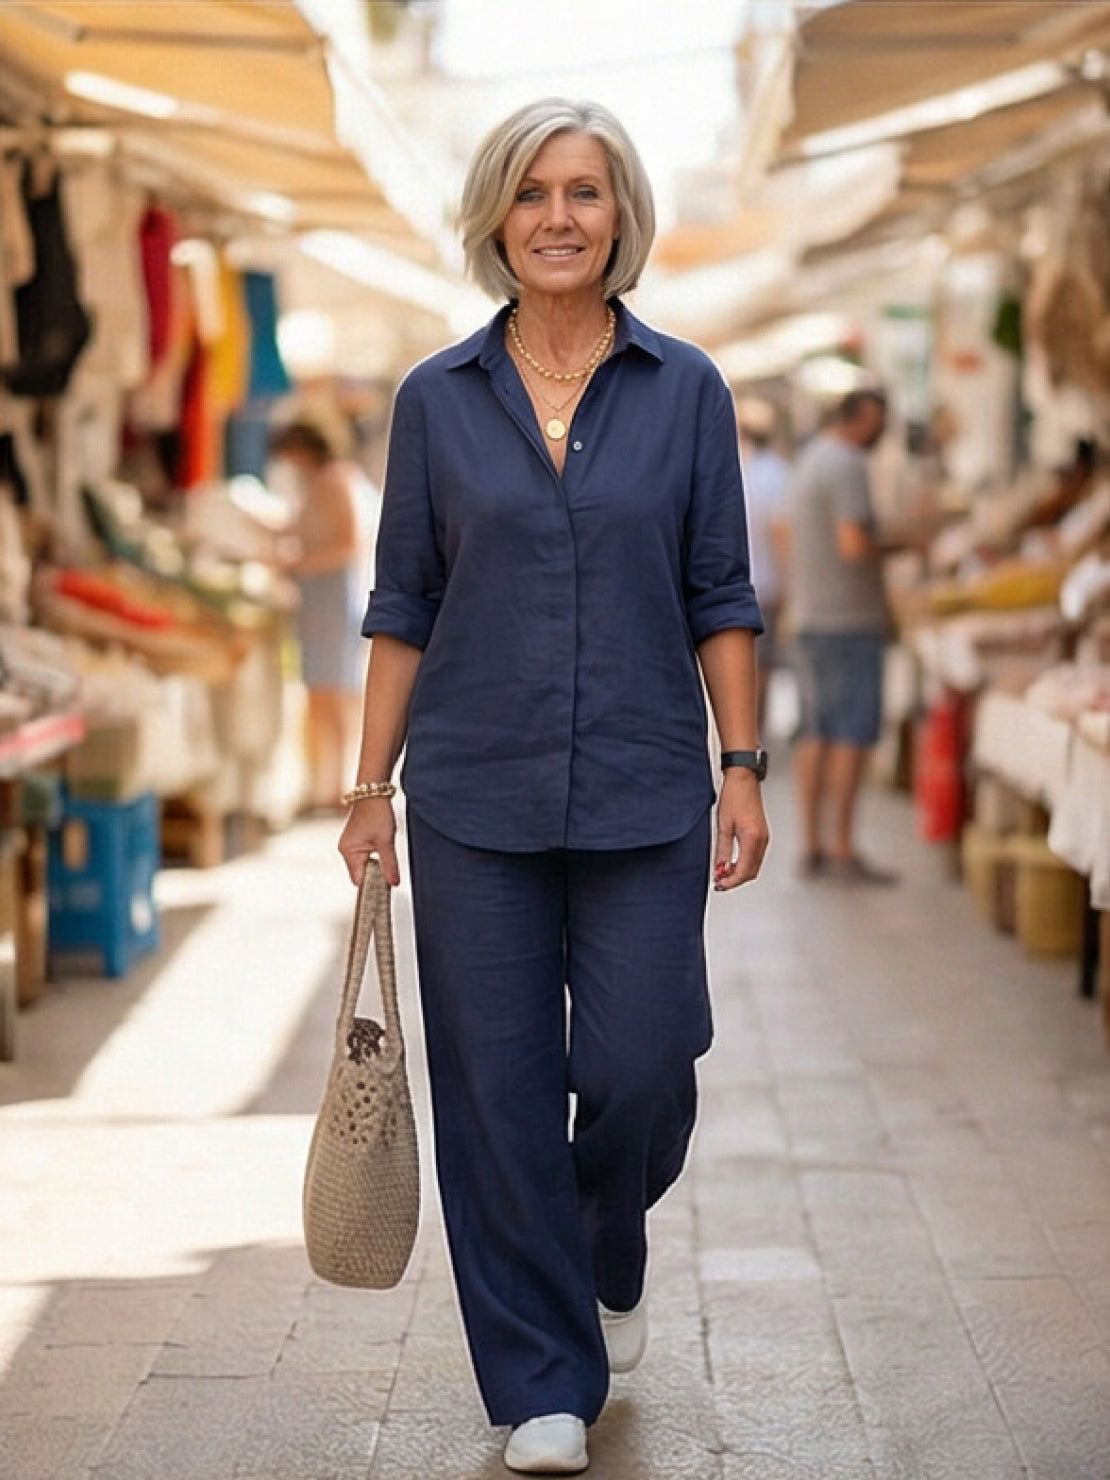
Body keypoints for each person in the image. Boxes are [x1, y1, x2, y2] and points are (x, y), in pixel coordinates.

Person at [338, 98, 769, 1475]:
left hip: (648, 783)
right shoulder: (433, 400)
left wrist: (743, 763)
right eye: (531, 194)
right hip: (472, 791)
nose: (558, 217)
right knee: (497, 1086)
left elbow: (721, 592)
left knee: (640, 1063)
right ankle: (540, 1379)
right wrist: (367, 790)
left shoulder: (686, 390)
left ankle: (606, 1235)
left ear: (620, 215)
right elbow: (401, 603)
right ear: (495, 219)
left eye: (584, 192)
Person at [787, 387, 899, 884]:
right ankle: (843, 847)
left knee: (816, 731)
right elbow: (854, 544)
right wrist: (902, 540)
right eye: (879, 421)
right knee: (850, 734)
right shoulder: (847, 464)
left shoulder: (810, 458)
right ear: (862, 419)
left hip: (811, 615)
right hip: (848, 620)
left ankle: (812, 843)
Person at [268, 418, 377, 811]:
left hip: (332, 595)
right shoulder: (316, 483)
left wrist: (302, 565)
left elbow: (349, 543)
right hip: (317, 598)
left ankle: (339, 785)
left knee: (336, 696)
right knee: (319, 695)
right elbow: (293, 529)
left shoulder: (337, 480)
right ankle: (321, 784)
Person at [736, 397, 790, 729]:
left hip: (740, 581)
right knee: (762, 664)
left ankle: (746, 729)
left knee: (745, 660)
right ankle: (754, 728)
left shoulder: (740, 469)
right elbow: (782, 530)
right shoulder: (777, 473)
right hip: (767, 584)